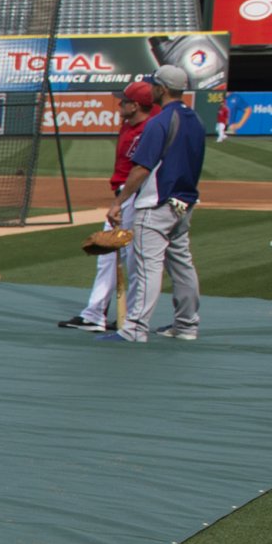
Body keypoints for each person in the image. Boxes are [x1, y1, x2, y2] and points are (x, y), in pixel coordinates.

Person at [101, 65, 204, 344]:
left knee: (148, 267)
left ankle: (135, 329)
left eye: (153, 85)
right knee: (182, 266)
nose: (151, 89)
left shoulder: (160, 122)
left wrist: (118, 203)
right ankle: (186, 326)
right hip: (185, 202)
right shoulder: (194, 119)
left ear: (163, 89)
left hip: (157, 202)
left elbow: (141, 169)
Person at [61, 83, 154, 332]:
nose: (119, 104)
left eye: (123, 101)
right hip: (128, 196)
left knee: (123, 257)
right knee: (116, 256)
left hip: (134, 197)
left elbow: (140, 171)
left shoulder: (147, 130)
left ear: (135, 105)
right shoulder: (130, 124)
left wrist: (119, 202)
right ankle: (113, 315)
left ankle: (106, 316)